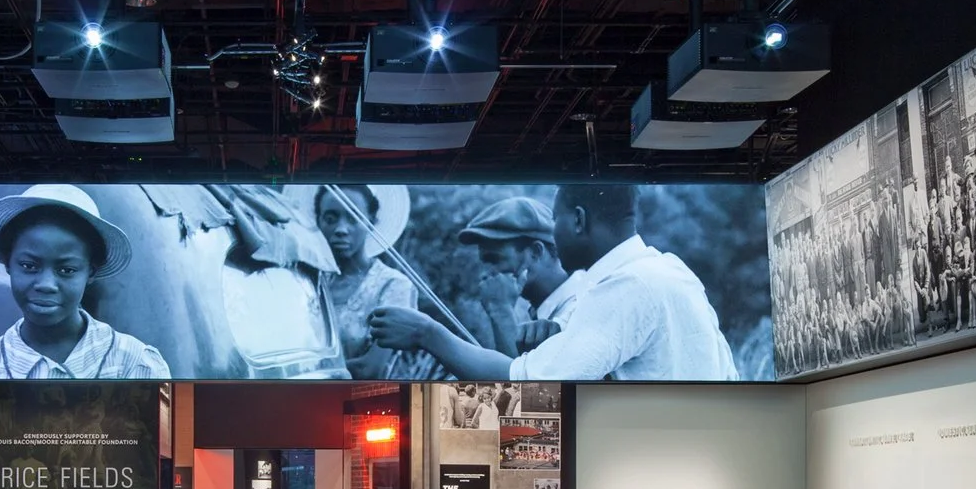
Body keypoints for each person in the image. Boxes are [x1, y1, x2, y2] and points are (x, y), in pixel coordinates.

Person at [370, 185, 732, 381]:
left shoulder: (624, 286)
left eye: (556, 220)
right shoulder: (670, 270)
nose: (554, 235)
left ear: (578, 220)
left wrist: (426, 332)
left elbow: (523, 388)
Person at [0, 183, 170, 379]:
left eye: (66, 270)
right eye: (29, 266)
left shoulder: (134, 364)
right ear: (8, 264)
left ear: (90, 273)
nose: (46, 284)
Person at [295, 184, 427, 379]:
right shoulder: (306, 281)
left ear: (371, 222)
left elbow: (370, 369)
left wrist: (297, 372)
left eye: (353, 218)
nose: (341, 229)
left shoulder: (393, 286)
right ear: (318, 222)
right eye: (330, 219)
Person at [452, 196, 575, 354]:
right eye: (484, 262)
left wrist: (500, 310)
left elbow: (517, 371)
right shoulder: (542, 312)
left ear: (536, 252)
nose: (485, 273)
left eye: (495, 259)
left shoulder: (578, 310)